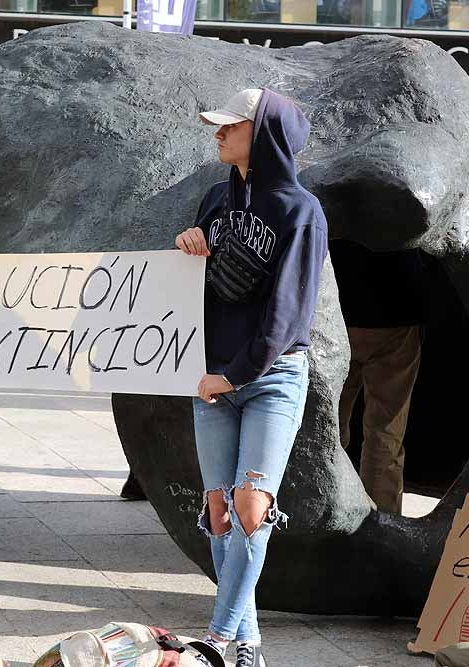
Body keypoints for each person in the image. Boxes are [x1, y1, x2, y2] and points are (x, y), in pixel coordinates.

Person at [175, 88, 327, 667]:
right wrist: (190, 248)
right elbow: (198, 288)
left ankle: (217, 635)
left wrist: (234, 376)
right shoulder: (215, 199)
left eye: (230, 126)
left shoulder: (301, 211)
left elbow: (290, 312)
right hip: (213, 377)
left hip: (270, 377)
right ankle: (249, 643)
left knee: (251, 506)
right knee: (220, 511)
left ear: (262, 134)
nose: (217, 134)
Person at [330, 240, 426, 514]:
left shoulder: (338, 194)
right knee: (385, 431)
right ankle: (381, 521)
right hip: (397, 308)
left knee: (326, 425)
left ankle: (327, 510)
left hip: (337, 303)